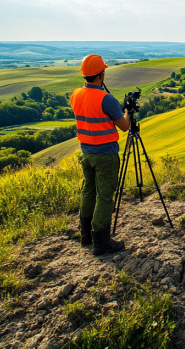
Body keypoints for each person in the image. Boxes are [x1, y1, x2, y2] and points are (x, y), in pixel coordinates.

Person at [71, 54, 130, 255]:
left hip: (85, 152)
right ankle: (102, 243)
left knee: (88, 192)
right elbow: (124, 126)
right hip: (105, 155)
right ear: (102, 74)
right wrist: (127, 111)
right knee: (105, 197)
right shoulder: (107, 99)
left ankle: (86, 236)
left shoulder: (76, 94)